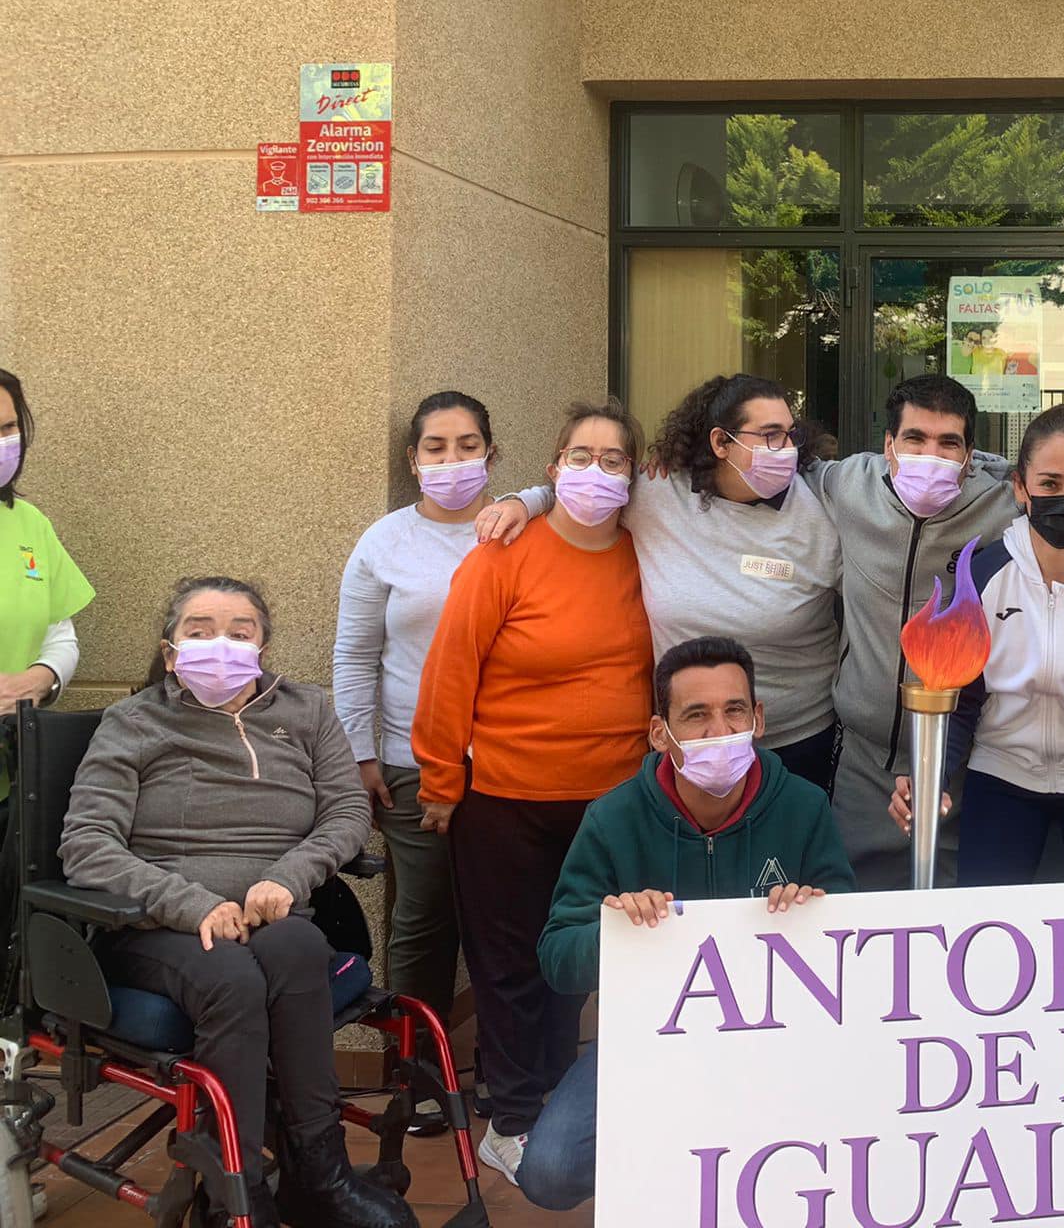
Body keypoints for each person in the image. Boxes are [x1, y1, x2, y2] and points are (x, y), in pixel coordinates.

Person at [59, 578, 413, 1228]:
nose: (219, 643)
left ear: (262, 645)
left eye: (239, 630)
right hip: (156, 922)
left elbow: (344, 811)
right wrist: (190, 905)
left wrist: (292, 874)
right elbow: (87, 845)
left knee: (302, 945)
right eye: (199, 630)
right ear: (170, 653)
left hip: (271, 912)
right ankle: (237, 1196)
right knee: (229, 976)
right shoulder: (133, 722)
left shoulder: (306, 711)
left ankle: (320, 1176)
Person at [519, 636, 853, 1211]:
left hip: (779, 1040)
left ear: (759, 719)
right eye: (695, 716)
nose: (717, 731)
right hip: (648, 1041)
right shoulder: (612, 818)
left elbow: (854, 938)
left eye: (734, 712)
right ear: (659, 733)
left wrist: (814, 910)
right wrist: (616, 931)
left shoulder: (803, 807)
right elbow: (556, 957)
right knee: (548, 1172)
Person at [411, 398, 655, 1188]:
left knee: (582, 961)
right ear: (552, 468)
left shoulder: (647, 552)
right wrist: (442, 779)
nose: (594, 471)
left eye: (612, 459)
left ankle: (560, 1099)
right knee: (512, 966)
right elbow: (451, 669)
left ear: (634, 474)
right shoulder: (504, 554)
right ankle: (512, 1118)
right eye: (578, 456)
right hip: (506, 800)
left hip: (612, 805)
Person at [813, 374, 1064, 890]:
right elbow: (963, 699)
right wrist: (931, 774)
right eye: (1049, 485)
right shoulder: (981, 575)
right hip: (998, 776)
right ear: (1020, 489)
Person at [473, 374, 842, 791]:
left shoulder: (822, 515)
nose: (787, 449)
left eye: (790, 434)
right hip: (686, 744)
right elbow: (590, 485)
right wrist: (527, 501)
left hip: (795, 742)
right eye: (771, 436)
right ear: (721, 443)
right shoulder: (659, 495)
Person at [332, 391, 496, 1102]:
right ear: (413, 457)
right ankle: (418, 1076)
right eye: (436, 447)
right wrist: (360, 758)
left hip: (506, 762)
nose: (452, 460)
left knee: (502, 916)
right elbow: (353, 656)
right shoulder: (385, 541)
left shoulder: (517, 526)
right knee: (422, 920)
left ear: (491, 452)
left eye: (467, 445)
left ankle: (502, 1068)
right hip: (408, 760)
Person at [0, 368, 94, 714]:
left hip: (14, 752)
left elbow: (60, 638)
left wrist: (37, 681)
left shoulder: (30, 523)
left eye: (8, 428)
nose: (2, 442)